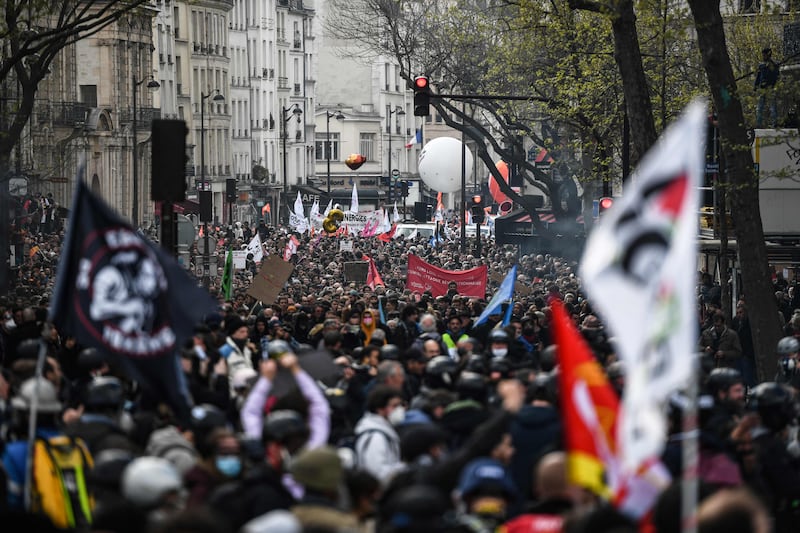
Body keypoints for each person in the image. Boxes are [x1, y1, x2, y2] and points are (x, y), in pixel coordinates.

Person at [755, 47, 779, 128]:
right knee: (760, 107)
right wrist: (755, 86)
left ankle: (774, 123)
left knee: (773, 106)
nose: (763, 56)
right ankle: (758, 124)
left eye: (764, 55)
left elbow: (776, 76)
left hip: (771, 87)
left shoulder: (774, 65)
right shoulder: (761, 66)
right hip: (762, 88)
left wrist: (774, 85)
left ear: (768, 55)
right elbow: (758, 77)